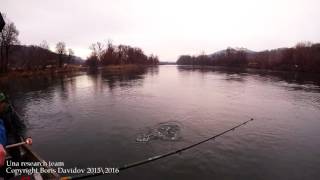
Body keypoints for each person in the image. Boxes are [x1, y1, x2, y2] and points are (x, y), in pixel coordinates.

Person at [0, 92, 32, 167]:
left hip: (12, 139)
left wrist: (26, 137)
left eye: (1, 103)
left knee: (16, 155)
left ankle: (18, 167)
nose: (2, 106)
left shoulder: (10, 110)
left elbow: (21, 126)